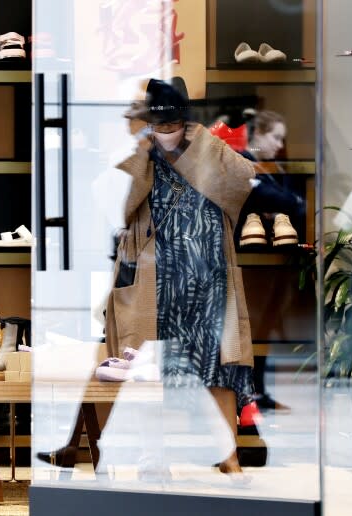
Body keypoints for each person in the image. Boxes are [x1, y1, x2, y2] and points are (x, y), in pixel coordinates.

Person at [106, 77, 256, 480]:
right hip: (156, 277)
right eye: (160, 126)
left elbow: (244, 180)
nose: (166, 133)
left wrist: (198, 148)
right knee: (149, 367)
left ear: (185, 121)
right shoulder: (142, 153)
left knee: (219, 368)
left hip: (209, 276)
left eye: (172, 125)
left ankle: (229, 455)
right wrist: (142, 151)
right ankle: (153, 457)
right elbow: (116, 205)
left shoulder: (209, 146)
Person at [235, 110, 304, 412]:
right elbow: (286, 202)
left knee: (263, 327)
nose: (279, 143)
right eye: (275, 136)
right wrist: (277, 207)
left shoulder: (270, 168)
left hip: (269, 260)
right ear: (257, 133)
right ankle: (247, 395)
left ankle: (257, 392)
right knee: (252, 327)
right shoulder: (243, 163)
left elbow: (292, 204)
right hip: (249, 262)